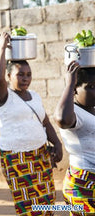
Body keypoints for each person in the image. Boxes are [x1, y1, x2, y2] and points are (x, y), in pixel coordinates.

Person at [0, 32, 63, 215]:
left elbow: (45, 122)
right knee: (27, 206)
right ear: (9, 76)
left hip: (40, 155)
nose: (25, 78)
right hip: (17, 158)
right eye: (20, 74)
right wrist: (2, 48)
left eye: (28, 74)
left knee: (47, 200)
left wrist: (57, 142)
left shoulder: (35, 96)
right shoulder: (4, 97)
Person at [54, 61, 95, 214]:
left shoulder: (92, 109)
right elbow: (61, 119)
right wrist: (69, 83)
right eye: (90, 87)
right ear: (75, 90)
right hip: (83, 184)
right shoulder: (74, 114)